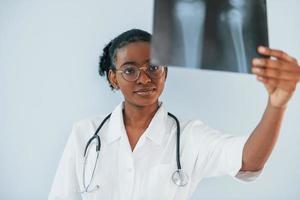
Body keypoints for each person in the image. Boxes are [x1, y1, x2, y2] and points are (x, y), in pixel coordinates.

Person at [48, 29, 300, 200]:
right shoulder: (86, 133)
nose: (144, 78)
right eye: (129, 70)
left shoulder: (190, 137)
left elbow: (247, 161)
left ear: (165, 72)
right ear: (113, 78)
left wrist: (277, 105)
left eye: (153, 67)